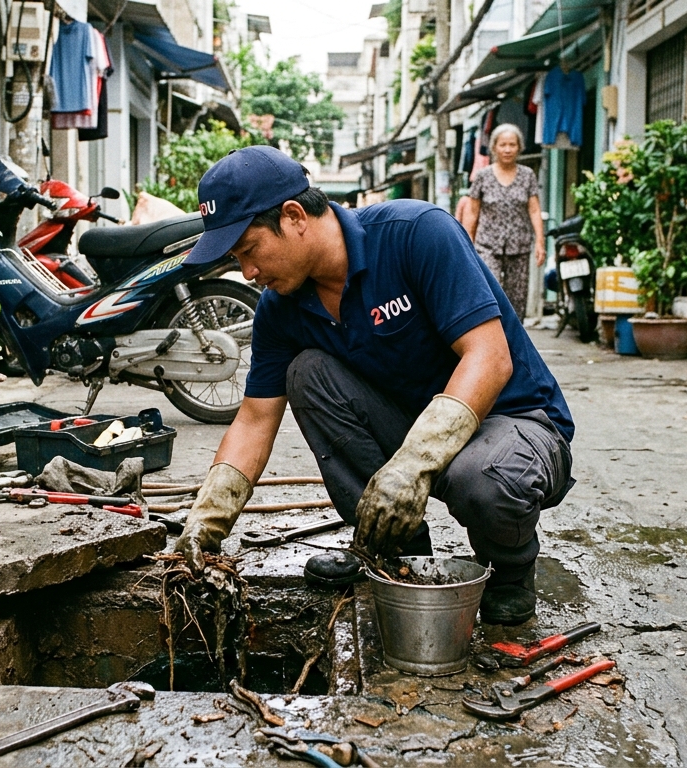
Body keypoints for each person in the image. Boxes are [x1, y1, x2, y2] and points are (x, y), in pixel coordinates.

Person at [167, 145, 574, 625]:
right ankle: (394, 552)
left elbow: (490, 357)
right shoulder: (280, 309)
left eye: (250, 250)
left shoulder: (416, 233)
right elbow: (256, 418)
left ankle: (508, 573)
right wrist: (204, 524)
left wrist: (412, 466)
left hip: (515, 425)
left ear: (294, 216)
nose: (248, 273)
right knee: (307, 374)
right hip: (416, 430)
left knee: (480, 480)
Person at [462, 123, 545, 320]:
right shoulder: (483, 176)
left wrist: (540, 242)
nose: (507, 149)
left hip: (520, 245)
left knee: (517, 299)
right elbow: (472, 212)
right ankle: (492, 337)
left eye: (512, 145)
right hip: (487, 245)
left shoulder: (527, 175)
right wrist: (466, 244)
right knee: (489, 293)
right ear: (494, 147)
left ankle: (515, 344)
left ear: (519, 147)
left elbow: (534, 209)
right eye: (503, 145)